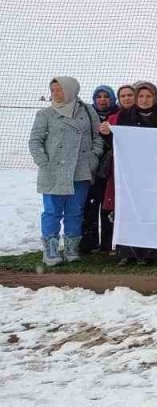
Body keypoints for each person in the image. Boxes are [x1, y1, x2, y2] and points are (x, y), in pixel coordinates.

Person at [29, 77, 103, 267]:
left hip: (80, 171)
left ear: (70, 90)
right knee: (52, 212)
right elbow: (35, 141)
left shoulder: (87, 111)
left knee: (75, 212)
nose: (55, 93)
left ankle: (71, 248)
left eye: (59, 89)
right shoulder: (45, 114)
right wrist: (44, 163)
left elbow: (98, 137)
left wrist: (92, 159)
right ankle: (51, 250)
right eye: (53, 90)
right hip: (54, 171)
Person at [105, 81, 157, 266]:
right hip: (132, 172)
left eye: (149, 96)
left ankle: (153, 251)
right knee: (130, 207)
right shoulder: (124, 116)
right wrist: (106, 131)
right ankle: (127, 251)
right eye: (141, 96)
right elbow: (114, 138)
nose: (145, 100)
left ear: (155, 97)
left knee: (154, 208)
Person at [79, 85, 118, 255]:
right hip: (92, 166)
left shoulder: (119, 114)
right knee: (90, 205)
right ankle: (89, 242)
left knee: (109, 206)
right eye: (99, 97)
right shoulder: (88, 115)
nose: (102, 100)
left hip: (113, 168)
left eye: (106, 96)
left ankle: (108, 244)